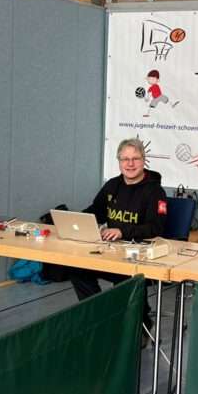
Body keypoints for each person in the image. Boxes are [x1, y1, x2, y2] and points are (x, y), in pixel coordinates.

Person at [71, 138, 166, 336]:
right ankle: (99, 317)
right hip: (110, 251)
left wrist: (122, 231)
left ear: (143, 160)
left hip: (137, 255)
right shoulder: (112, 186)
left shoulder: (155, 191)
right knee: (78, 270)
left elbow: (156, 227)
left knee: (126, 279)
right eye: (125, 159)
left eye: (135, 159)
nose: (130, 164)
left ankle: (141, 326)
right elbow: (95, 212)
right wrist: (75, 220)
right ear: (119, 161)